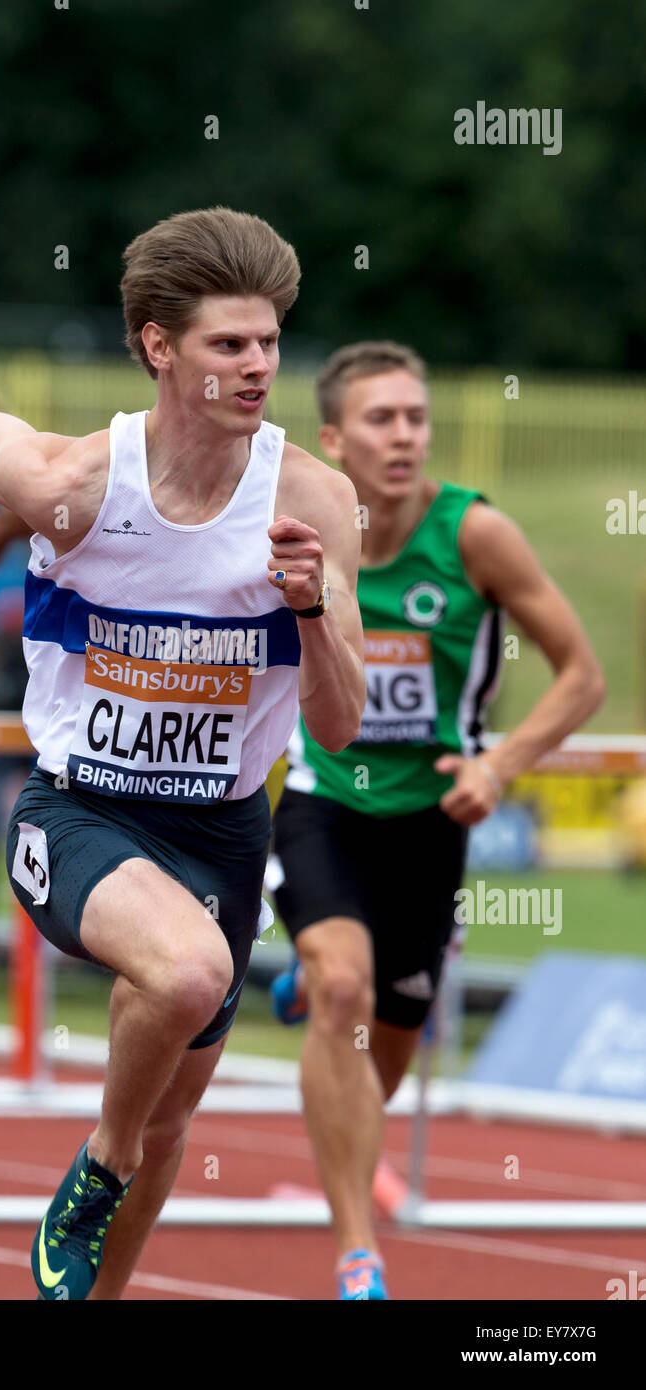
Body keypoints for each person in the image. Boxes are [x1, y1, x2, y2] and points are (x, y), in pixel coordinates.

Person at [0, 207, 366, 1301]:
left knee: (177, 1111)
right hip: (77, 811)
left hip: (222, 830)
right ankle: (101, 1158)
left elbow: (337, 727)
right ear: (156, 345)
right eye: (227, 344)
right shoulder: (79, 483)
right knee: (188, 974)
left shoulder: (314, 501)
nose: (256, 367)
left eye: (269, 342)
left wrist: (315, 609)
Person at [267, 341, 606, 1299]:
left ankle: (326, 994)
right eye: (381, 419)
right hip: (326, 799)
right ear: (334, 438)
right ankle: (356, 1248)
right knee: (344, 989)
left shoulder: (475, 537)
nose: (405, 434)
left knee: (390, 1035)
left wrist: (501, 765)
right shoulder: (296, 527)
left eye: (416, 416)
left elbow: (583, 676)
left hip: (433, 817)